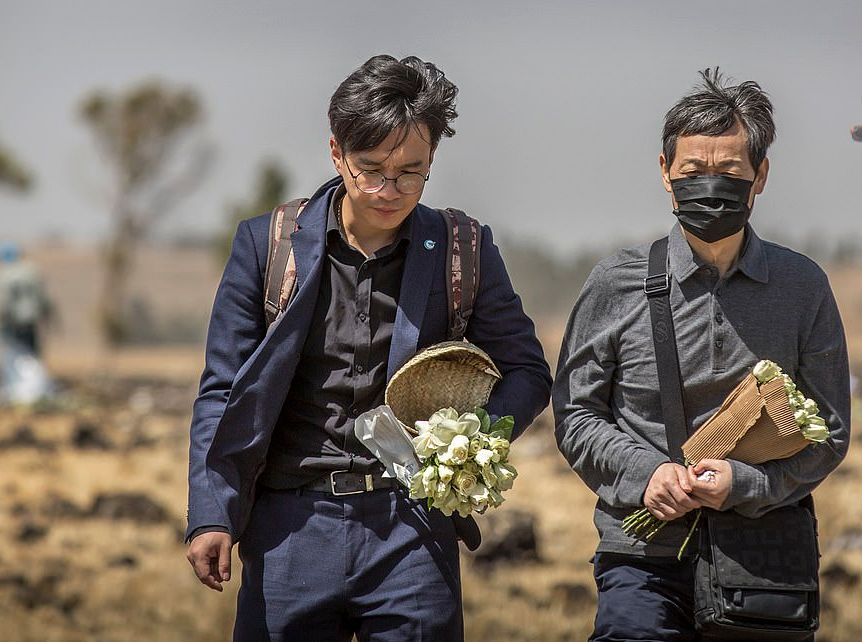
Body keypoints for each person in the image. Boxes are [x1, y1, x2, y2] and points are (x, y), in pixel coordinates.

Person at [186, 54, 551, 640]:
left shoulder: (463, 248)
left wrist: (472, 442)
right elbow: (223, 390)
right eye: (371, 170)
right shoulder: (268, 245)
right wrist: (211, 513)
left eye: (410, 173)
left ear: (432, 161)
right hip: (288, 528)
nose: (389, 190)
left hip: (413, 531)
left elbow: (526, 371)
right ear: (337, 153)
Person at [553, 69, 850, 640]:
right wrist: (646, 475)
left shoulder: (803, 286)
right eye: (692, 173)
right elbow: (575, 414)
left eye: (730, 173)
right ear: (665, 172)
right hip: (641, 557)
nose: (710, 187)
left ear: (761, 175)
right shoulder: (615, 282)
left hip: (764, 564)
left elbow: (829, 432)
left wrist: (744, 484)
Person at [0, 241, 54, 404]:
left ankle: (20, 391)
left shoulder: (3, 273)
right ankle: (35, 389)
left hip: (13, 323)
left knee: (14, 357)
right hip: (32, 321)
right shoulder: (32, 270)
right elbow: (43, 298)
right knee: (31, 355)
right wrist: (47, 317)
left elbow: (2, 303)